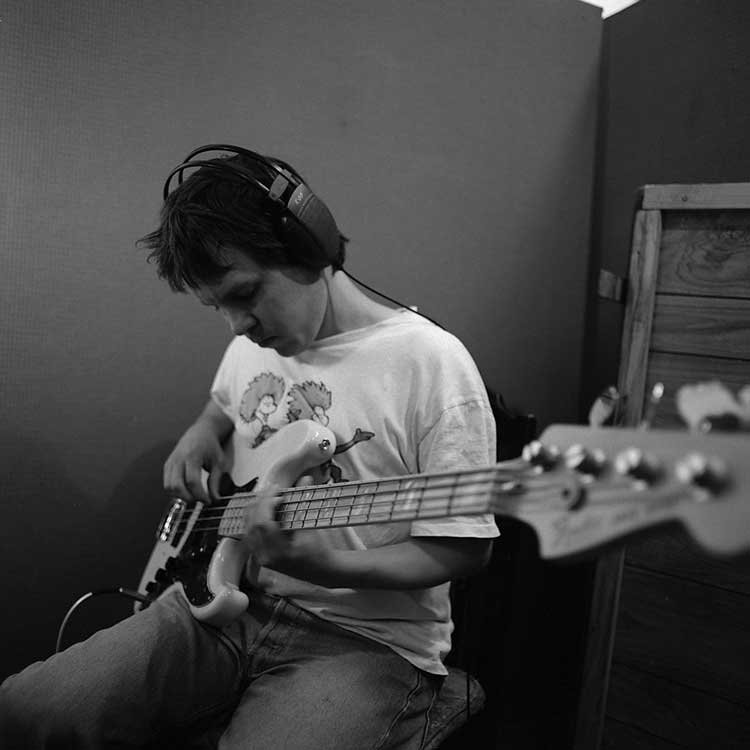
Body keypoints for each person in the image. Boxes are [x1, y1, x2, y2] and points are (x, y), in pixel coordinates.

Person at [0, 146, 499, 749]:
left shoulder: (431, 363)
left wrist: (324, 568)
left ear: (309, 249)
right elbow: (225, 402)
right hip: (227, 605)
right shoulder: (252, 344)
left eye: (244, 294)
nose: (236, 326)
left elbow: (463, 549)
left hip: (368, 643)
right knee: (25, 709)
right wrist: (201, 432)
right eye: (217, 307)